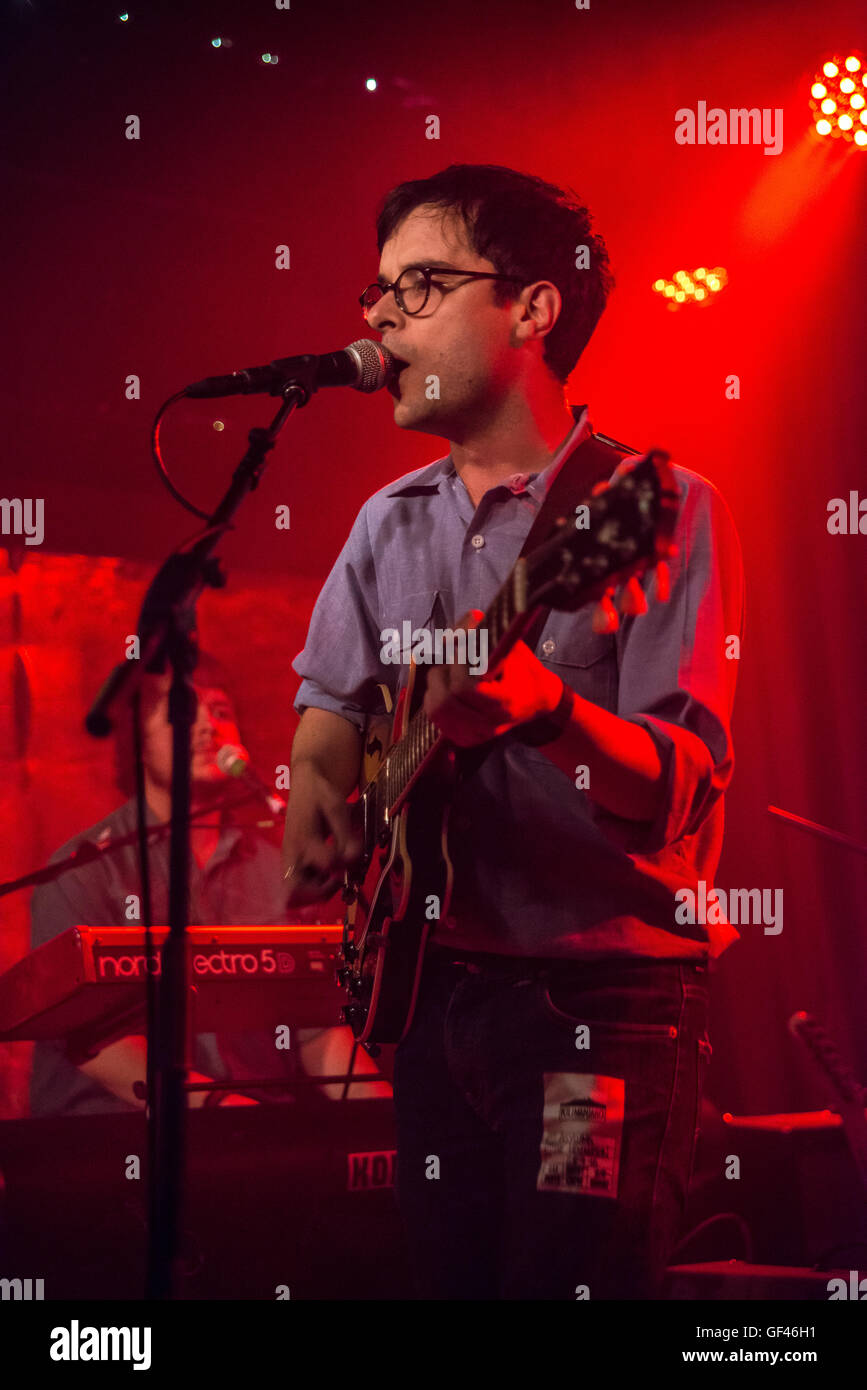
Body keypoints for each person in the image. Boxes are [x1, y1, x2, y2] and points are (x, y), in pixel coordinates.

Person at [282, 163, 744, 1299]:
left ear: (534, 310)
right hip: (435, 1002)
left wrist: (550, 709)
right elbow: (329, 714)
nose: (380, 315)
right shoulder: (383, 525)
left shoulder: (657, 505)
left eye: (421, 284)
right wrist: (322, 799)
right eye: (376, 291)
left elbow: (672, 788)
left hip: (596, 1013)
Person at [29, 652, 384, 1115]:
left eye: (221, 713)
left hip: (256, 1133)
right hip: (117, 1148)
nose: (206, 727)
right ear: (136, 742)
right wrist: (224, 1111)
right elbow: (92, 1042)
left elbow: (314, 1029)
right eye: (181, 712)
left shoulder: (277, 864)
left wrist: (383, 1117)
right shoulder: (83, 871)